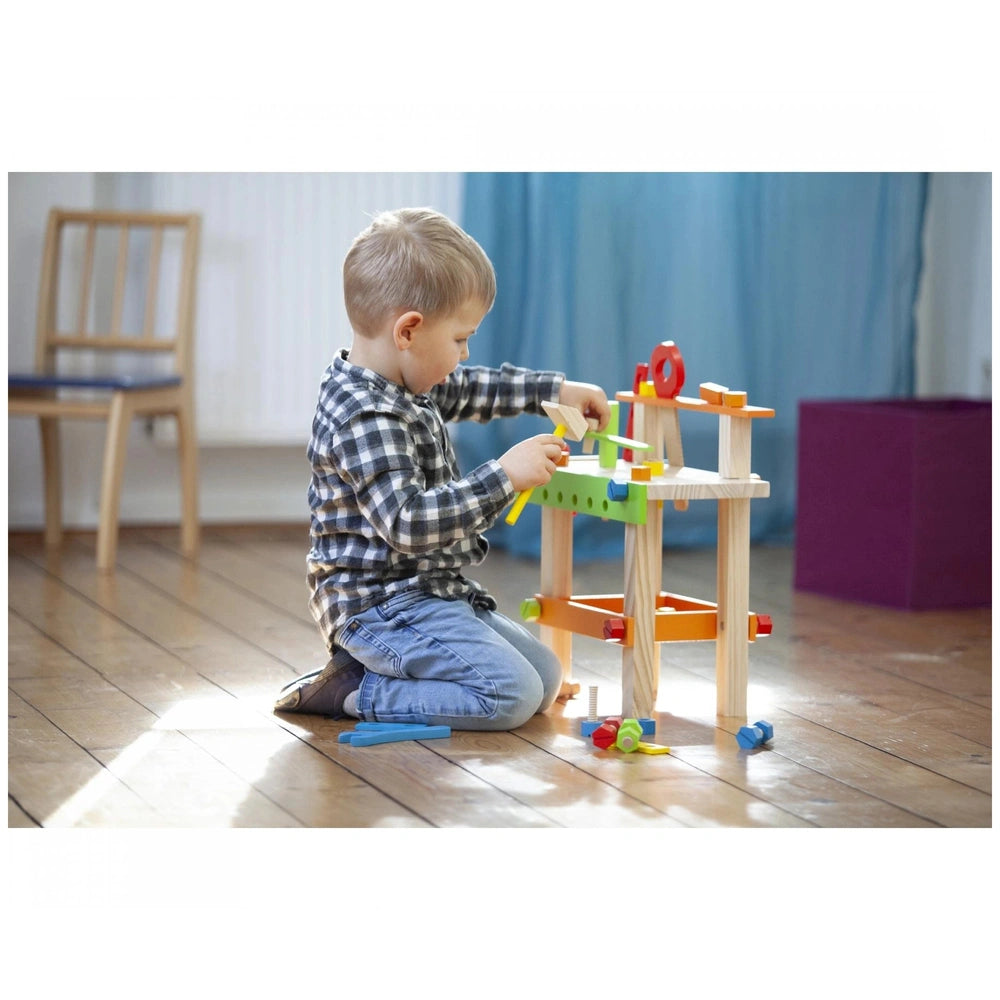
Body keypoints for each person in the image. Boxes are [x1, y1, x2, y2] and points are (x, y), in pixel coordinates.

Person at [275, 207, 609, 730]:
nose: (464, 352)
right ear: (409, 330)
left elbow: (474, 387)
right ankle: (356, 689)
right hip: (379, 608)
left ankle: (400, 675)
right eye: (459, 339)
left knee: (543, 677)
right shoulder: (365, 414)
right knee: (511, 695)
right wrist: (504, 476)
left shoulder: (403, 380)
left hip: (428, 591)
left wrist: (554, 391)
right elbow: (408, 523)